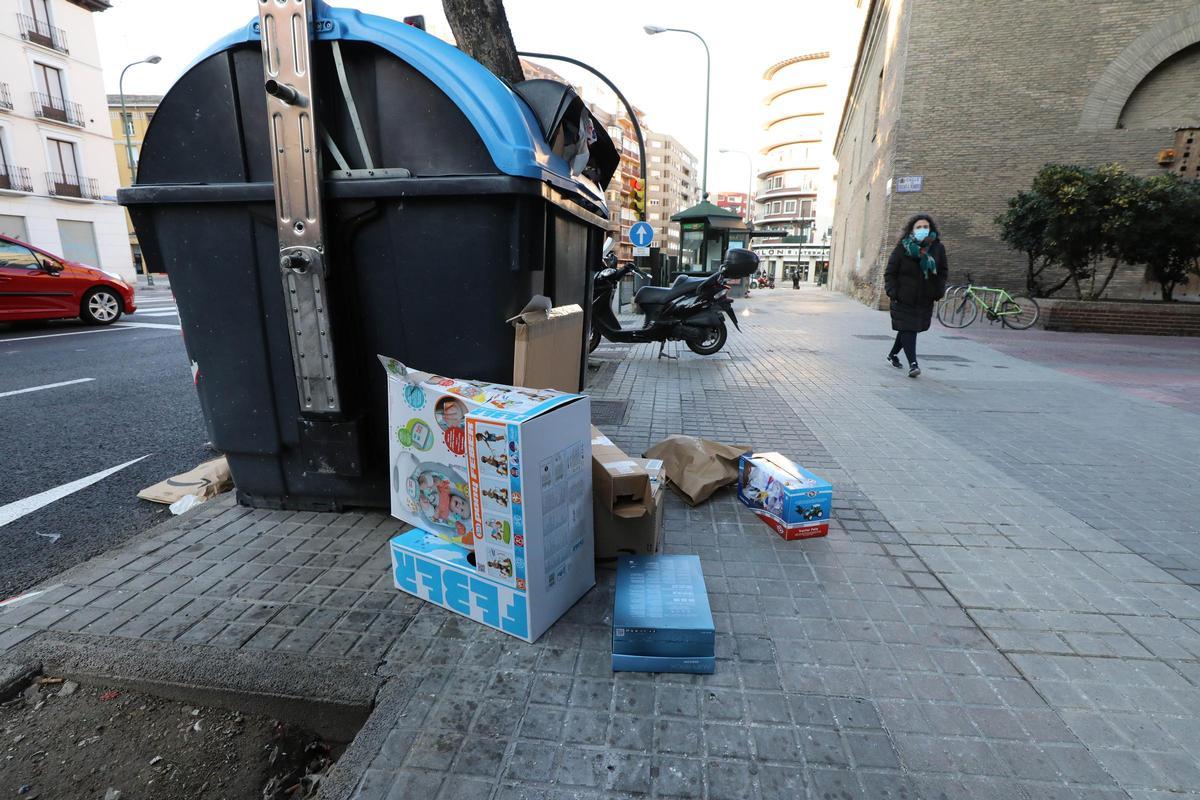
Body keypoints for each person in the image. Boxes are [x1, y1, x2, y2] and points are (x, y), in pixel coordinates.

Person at [884, 214, 948, 377]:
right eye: (918, 227)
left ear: (931, 229)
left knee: (908, 328)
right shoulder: (902, 248)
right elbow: (890, 272)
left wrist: (938, 291)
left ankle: (892, 355)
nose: (922, 230)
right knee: (908, 328)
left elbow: (942, 272)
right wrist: (893, 292)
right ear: (911, 230)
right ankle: (913, 364)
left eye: (925, 227)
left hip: (924, 297)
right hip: (904, 297)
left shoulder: (937, 248)